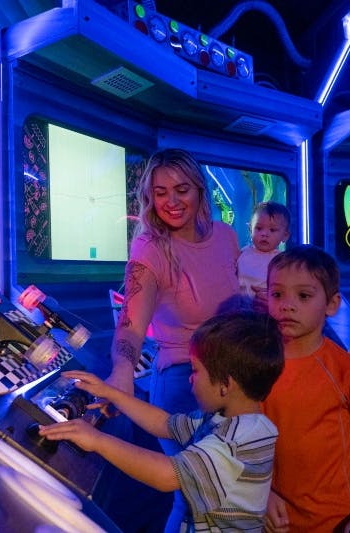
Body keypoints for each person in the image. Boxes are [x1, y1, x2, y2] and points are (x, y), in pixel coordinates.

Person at [40, 310, 286, 531]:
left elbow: (167, 475)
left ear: (225, 385)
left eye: (196, 370)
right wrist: (113, 393)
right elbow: (165, 424)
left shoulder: (236, 442)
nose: (191, 379)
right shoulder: (227, 419)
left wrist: (96, 440)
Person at [104, 148, 241, 531]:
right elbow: (130, 325)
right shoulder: (151, 248)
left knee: (229, 493)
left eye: (181, 189)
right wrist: (122, 371)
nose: (171, 202)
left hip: (233, 380)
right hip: (185, 380)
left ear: (199, 190)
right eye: (161, 192)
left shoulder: (226, 238)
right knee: (197, 492)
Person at [262, 244, 350, 532]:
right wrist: (261, 494)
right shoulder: (255, 366)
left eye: (304, 295)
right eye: (277, 294)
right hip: (272, 520)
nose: (287, 304)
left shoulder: (349, 372)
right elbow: (238, 440)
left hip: (336, 521)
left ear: (332, 305)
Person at [237, 201, 291, 309]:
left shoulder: (283, 261)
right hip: (239, 309)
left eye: (272, 230)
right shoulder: (241, 253)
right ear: (250, 230)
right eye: (259, 228)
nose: (264, 234)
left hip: (267, 311)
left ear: (285, 236)